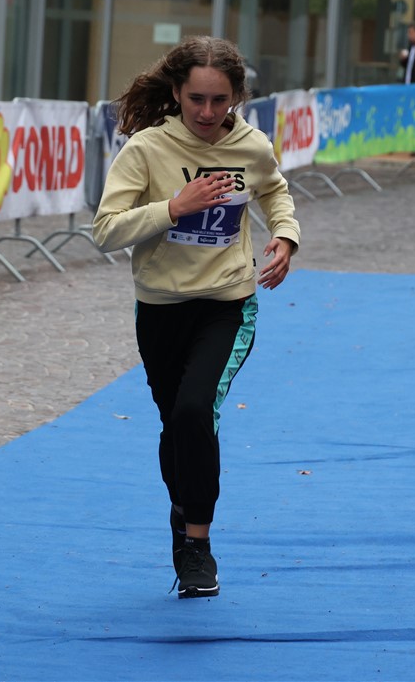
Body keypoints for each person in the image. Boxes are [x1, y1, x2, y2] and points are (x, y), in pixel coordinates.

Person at [92, 36, 300, 600]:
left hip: (226, 304)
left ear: (237, 97)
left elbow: (275, 191)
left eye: (220, 100)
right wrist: (173, 208)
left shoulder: (251, 146)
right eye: (196, 100)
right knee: (176, 427)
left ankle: (196, 545)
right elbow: (105, 230)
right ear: (177, 93)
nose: (207, 113)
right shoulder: (147, 149)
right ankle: (183, 512)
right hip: (160, 308)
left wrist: (285, 236)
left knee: (194, 410)